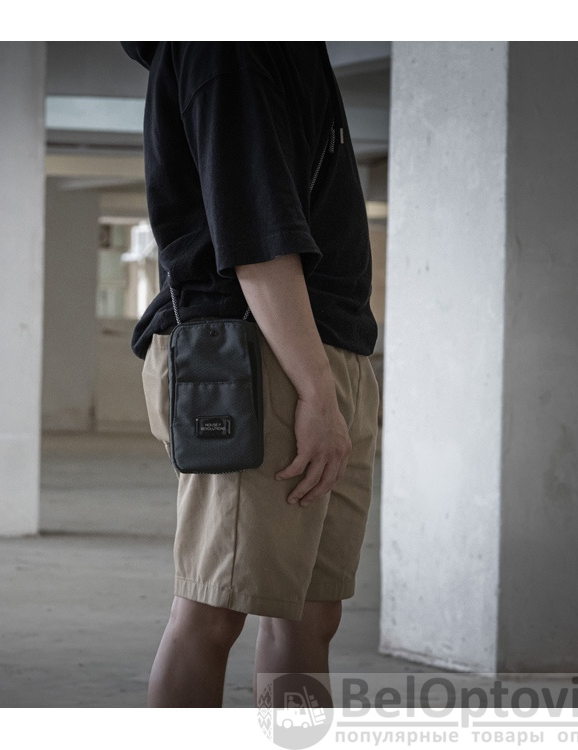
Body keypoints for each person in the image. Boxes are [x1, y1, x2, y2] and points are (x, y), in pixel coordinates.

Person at [121, 41, 380, 708]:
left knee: (311, 612)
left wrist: (330, 380)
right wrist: (316, 389)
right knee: (214, 609)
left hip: (323, 342)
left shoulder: (291, 45)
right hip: (255, 348)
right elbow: (255, 236)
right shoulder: (227, 43)